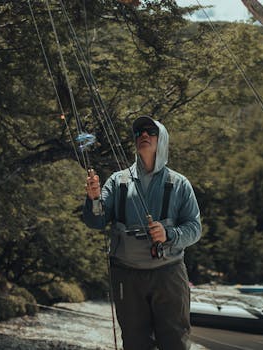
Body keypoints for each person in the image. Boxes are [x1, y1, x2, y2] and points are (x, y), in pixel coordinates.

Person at [83, 115, 202, 350]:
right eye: (139, 133)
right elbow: (95, 221)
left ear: (163, 140)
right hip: (127, 275)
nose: (143, 135)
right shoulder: (117, 181)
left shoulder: (180, 184)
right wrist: (93, 198)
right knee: (135, 342)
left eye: (150, 131)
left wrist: (169, 235)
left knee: (175, 341)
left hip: (168, 274)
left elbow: (195, 229)